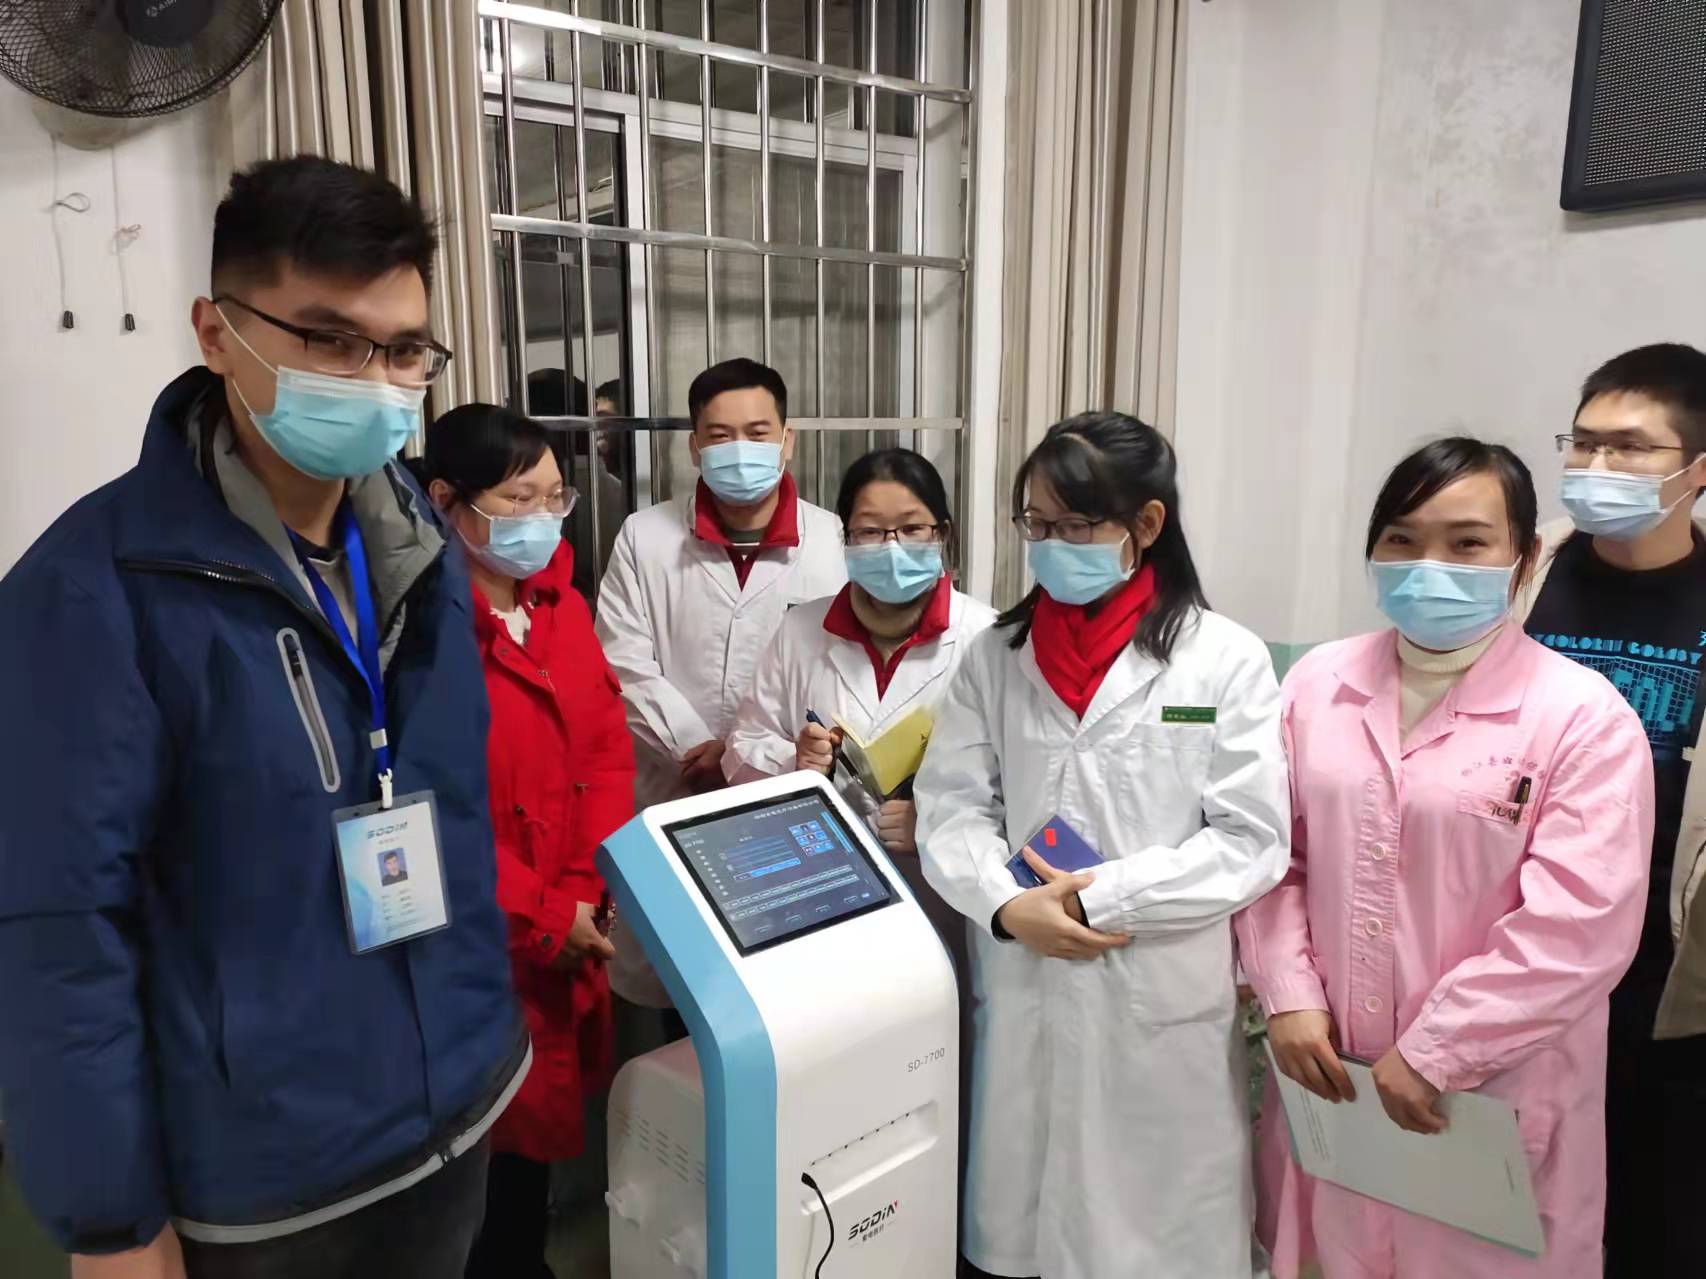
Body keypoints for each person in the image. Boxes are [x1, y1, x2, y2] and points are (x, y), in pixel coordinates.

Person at [0, 156, 525, 1279]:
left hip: (452, 1111)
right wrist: (111, 1221)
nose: (376, 380)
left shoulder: (422, 552)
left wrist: (485, 1037)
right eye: (331, 339)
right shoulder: (92, 589)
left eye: (403, 351)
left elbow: (453, 815)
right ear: (216, 331)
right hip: (267, 1175)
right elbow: (56, 929)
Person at [1239, 438, 1653, 1279]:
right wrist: (1287, 993)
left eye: (1467, 543)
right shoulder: (1315, 684)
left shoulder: (1582, 717)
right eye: (1402, 538)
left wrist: (1439, 1050)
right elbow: (1273, 855)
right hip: (1333, 1073)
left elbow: (1578, 929)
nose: (1430, 565)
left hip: (1492, 1093)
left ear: (1522, 558)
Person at [914, 411, 1290, 1279]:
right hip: (1026, 974)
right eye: (1036, 524)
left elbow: (1251, 838)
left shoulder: (1223, 660)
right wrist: (1008, 904)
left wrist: (1099, 898)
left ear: (1145, 524)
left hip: (1155, 995)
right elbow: (950, 807)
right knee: (1026, 1227)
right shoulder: (996, 655)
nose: (1049, 546)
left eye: (1075, 525)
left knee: (1156, 1244)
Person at [421, 403, 635, 1279]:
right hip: (480, 942)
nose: (543, 518)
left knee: (530, 1159)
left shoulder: (562, 607)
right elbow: (428, 816)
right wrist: (545, 915)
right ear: (447, 501)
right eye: (518, 499)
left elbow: (605, 753)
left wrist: (590, 889)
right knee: (468, 1160)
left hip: (570, 926)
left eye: (555, 496)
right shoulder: (417, 630)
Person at [1511, 343, 1706, 1277]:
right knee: (1509, 1218)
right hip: (1515, 952)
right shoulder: (1519, 571)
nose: (1595, 464)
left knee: (1655, 1221)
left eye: (1629, 447)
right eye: (1583, 441)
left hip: (1666, 972)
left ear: (1697, 470)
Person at [594, 357, 846, 1016]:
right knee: (666, 992)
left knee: (778, 998)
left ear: (787, 440)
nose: (740, 450)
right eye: (720, 434)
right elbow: (622, 661)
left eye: (757, 433)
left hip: (784, 800)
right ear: (694, 446)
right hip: (668, 789)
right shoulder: (645, 537)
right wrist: (696, 747)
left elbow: (840, 675)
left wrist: (744, 758)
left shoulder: (834, 542)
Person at [726, 446, 995, 957]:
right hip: (819, 895)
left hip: (946, 906)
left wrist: (936, 828)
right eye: (870, 531)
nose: (891, 547)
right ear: (846, 539)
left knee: (941, 999)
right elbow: (741, 746)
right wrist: (794, 762)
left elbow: (1018, 788)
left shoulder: (987, 639)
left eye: (912, 529)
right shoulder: (801, 630)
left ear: (942, 533)